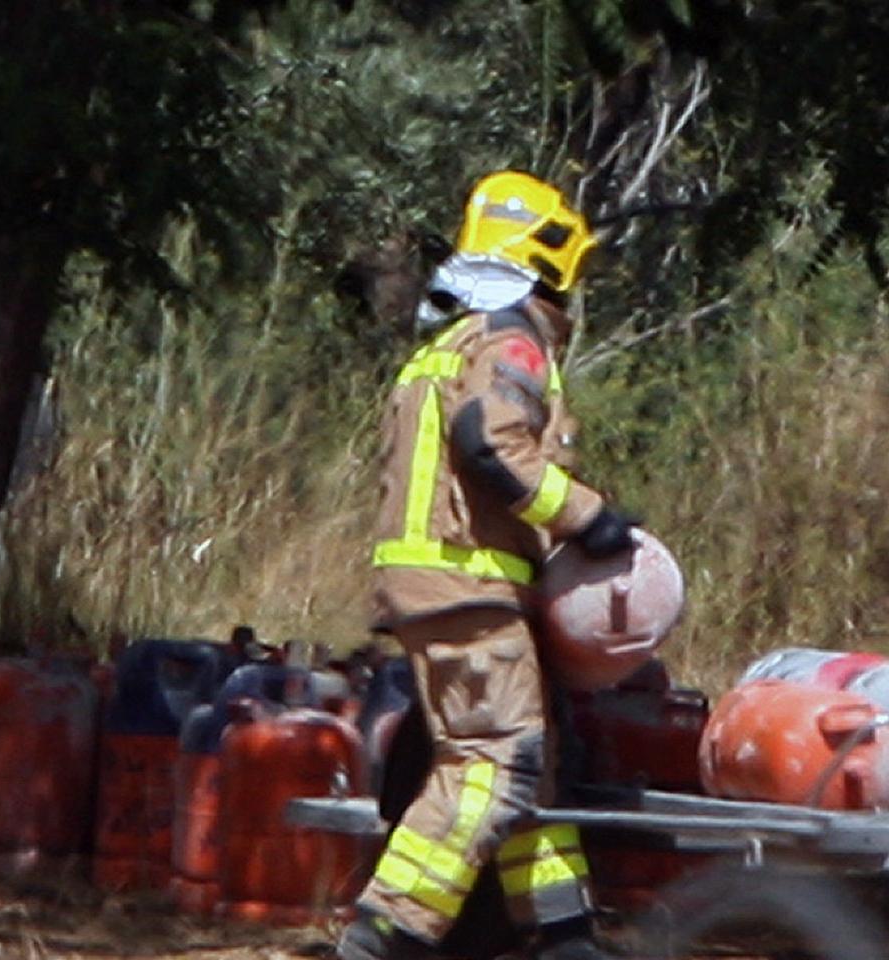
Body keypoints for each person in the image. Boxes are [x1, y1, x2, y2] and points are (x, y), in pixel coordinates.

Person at [336, 170, 635, 960]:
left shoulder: (450, 342)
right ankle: (384, 936)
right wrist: (590, 517)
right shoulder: (510, 340)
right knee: (490, 767)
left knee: (531, 769)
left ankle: (565, 936)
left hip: (444, 583)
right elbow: (492, 442)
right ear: (549, 255)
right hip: (468, 584)